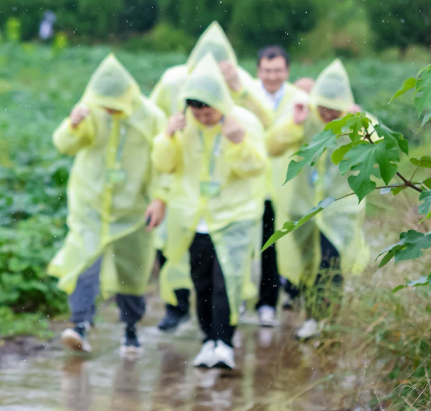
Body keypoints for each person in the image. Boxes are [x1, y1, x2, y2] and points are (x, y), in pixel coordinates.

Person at [148, 22, 271, 332]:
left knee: (229, 272)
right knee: (188, 265)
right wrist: (161, 192)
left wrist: (239, 92)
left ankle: (225, 330)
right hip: (189, 202)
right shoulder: (175, 86)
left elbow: (266, 129)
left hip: (233, 200)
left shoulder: (241, 94)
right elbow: (164, 156)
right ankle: (181, 312)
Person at [48, 54, 167, 356]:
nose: (110, 109)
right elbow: (64, 145)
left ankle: (131, 329)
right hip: (92, 203)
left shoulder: (151, 117)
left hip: (133, 207)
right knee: (84, 262)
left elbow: (163, 162)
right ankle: (80, 324)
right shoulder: (91, 111)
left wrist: (160, 198)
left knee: (132, 269)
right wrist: (73, 125)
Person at [266, 59, 368, 340]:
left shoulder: (356, 121)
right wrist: (293, 124)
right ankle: (312, 316)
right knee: (309, 266)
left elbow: (379, 148)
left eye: (334, 109)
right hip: (304, 208)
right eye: (323, 107)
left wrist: (360, 126)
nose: (327, 114)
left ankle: (327, 319)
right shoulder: (303, 117)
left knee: (330, 261)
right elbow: (272, 146)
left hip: (340, 207)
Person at [246, 45, 306, 329]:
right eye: (267, 71)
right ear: (258, 71)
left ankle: (270, 302)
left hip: (285, 185)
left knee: (275, 244)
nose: (273, 76)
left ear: (287, 71)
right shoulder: (246, 97)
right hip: (251, 184)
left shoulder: (299, 100)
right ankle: (243, 300)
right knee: (248, 245)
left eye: (278, 70)